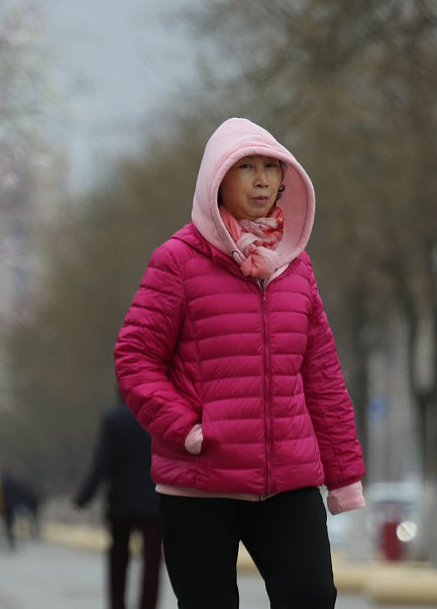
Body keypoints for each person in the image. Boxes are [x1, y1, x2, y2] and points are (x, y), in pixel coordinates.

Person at [114, 117, 366, 609]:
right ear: (216, 182)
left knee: (312, 596)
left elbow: (322, 377)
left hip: (289, 482)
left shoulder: (296, 265)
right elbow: (135, 358)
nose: (261, 179)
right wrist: (187, 428)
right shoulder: (177, 260)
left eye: (271, 167)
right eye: (245, 167)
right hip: (200, 484)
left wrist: (344, 475)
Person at [74, 399, 163, 609]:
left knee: (118, 558)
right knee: (152, 559)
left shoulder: (114, 419)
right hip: (155, 499)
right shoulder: (158, 415)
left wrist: (84, 497)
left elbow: (101, 462)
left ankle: (117, 603)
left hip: (121, 501)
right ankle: (148, 604)